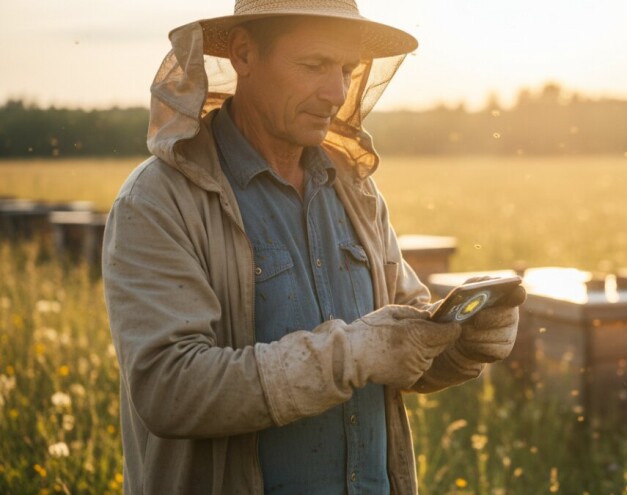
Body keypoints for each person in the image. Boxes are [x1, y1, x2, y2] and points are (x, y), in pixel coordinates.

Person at [101, 1, 525, 494]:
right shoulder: (159, 200)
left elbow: (399, 344)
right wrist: (351, 354)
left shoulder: (355, 191)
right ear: (243, 54)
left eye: (346, 69)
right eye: (314, 65)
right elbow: (169, 388)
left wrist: (461, 341)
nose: (336, 92)